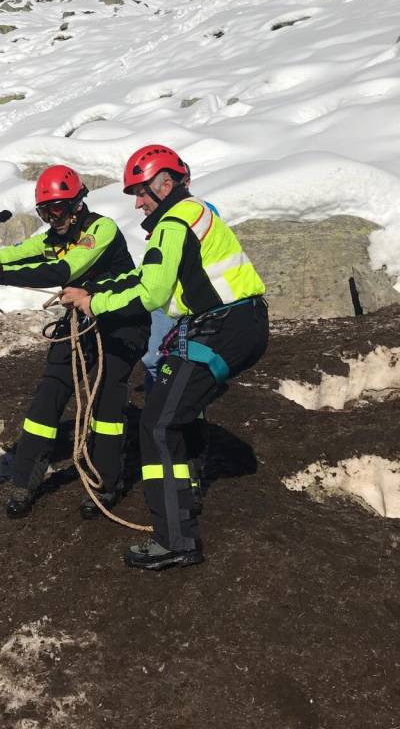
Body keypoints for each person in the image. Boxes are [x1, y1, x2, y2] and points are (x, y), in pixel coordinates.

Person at [60, 144, 268, 571]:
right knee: (173, 407)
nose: (137, 203)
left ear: (164, 184)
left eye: (141, 192)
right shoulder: (193, 213)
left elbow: (152, 293)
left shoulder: (173, 223)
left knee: (158, 422)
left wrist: (95, 306)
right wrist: (96, 293)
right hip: (237, 325)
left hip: (223, 327)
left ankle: (175, 539)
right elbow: (148, 277)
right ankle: (185, 489)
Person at [0, 165, 150, 519]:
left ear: (76, 203)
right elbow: (12, 253)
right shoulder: (52, 237)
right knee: (48, 396)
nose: (51, 218)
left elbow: (63, 271)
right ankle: (25, 482)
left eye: (56, 209)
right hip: (80, 321)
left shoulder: (101, 229)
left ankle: (107, 482)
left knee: (106, 402)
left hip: (122, 323)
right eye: (44, 211)